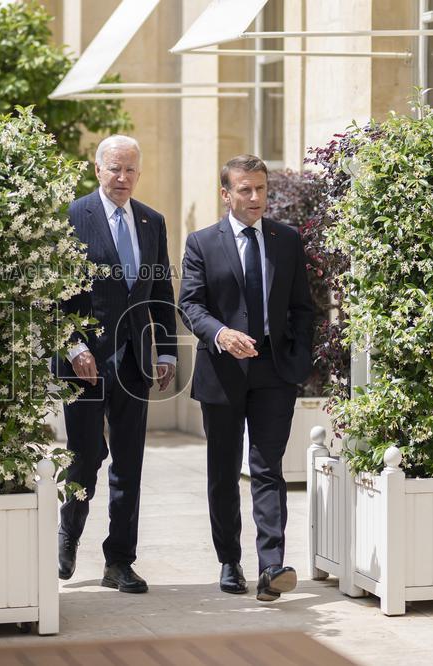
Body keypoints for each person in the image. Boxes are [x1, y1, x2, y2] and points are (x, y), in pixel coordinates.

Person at [178, 154, 313, 601]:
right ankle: (229, 560)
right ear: (226, 194)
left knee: (267, 467)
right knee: (223, 470)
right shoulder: (201, 243)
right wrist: (221, 334)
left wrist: (297, 357)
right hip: (222, 370)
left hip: (274, 370)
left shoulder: (286, 240)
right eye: (245, 189)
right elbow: (190, 304)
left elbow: (303, 307)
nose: (256, 198)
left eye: (261, 189)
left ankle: (271, 567)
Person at [53, 135, 178, 594]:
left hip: (133, 362)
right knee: (85, 457)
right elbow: (50, 295)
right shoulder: (70, 217)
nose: (122, 178)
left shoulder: (152, 221)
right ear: (97, 170)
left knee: (129, 463)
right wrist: (72, 346)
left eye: (130, 170)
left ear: (138, 174)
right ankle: (68, 537)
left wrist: (166, 350)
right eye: (114, 168)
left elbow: (160, 291)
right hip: (82, 364)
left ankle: (120, 561)